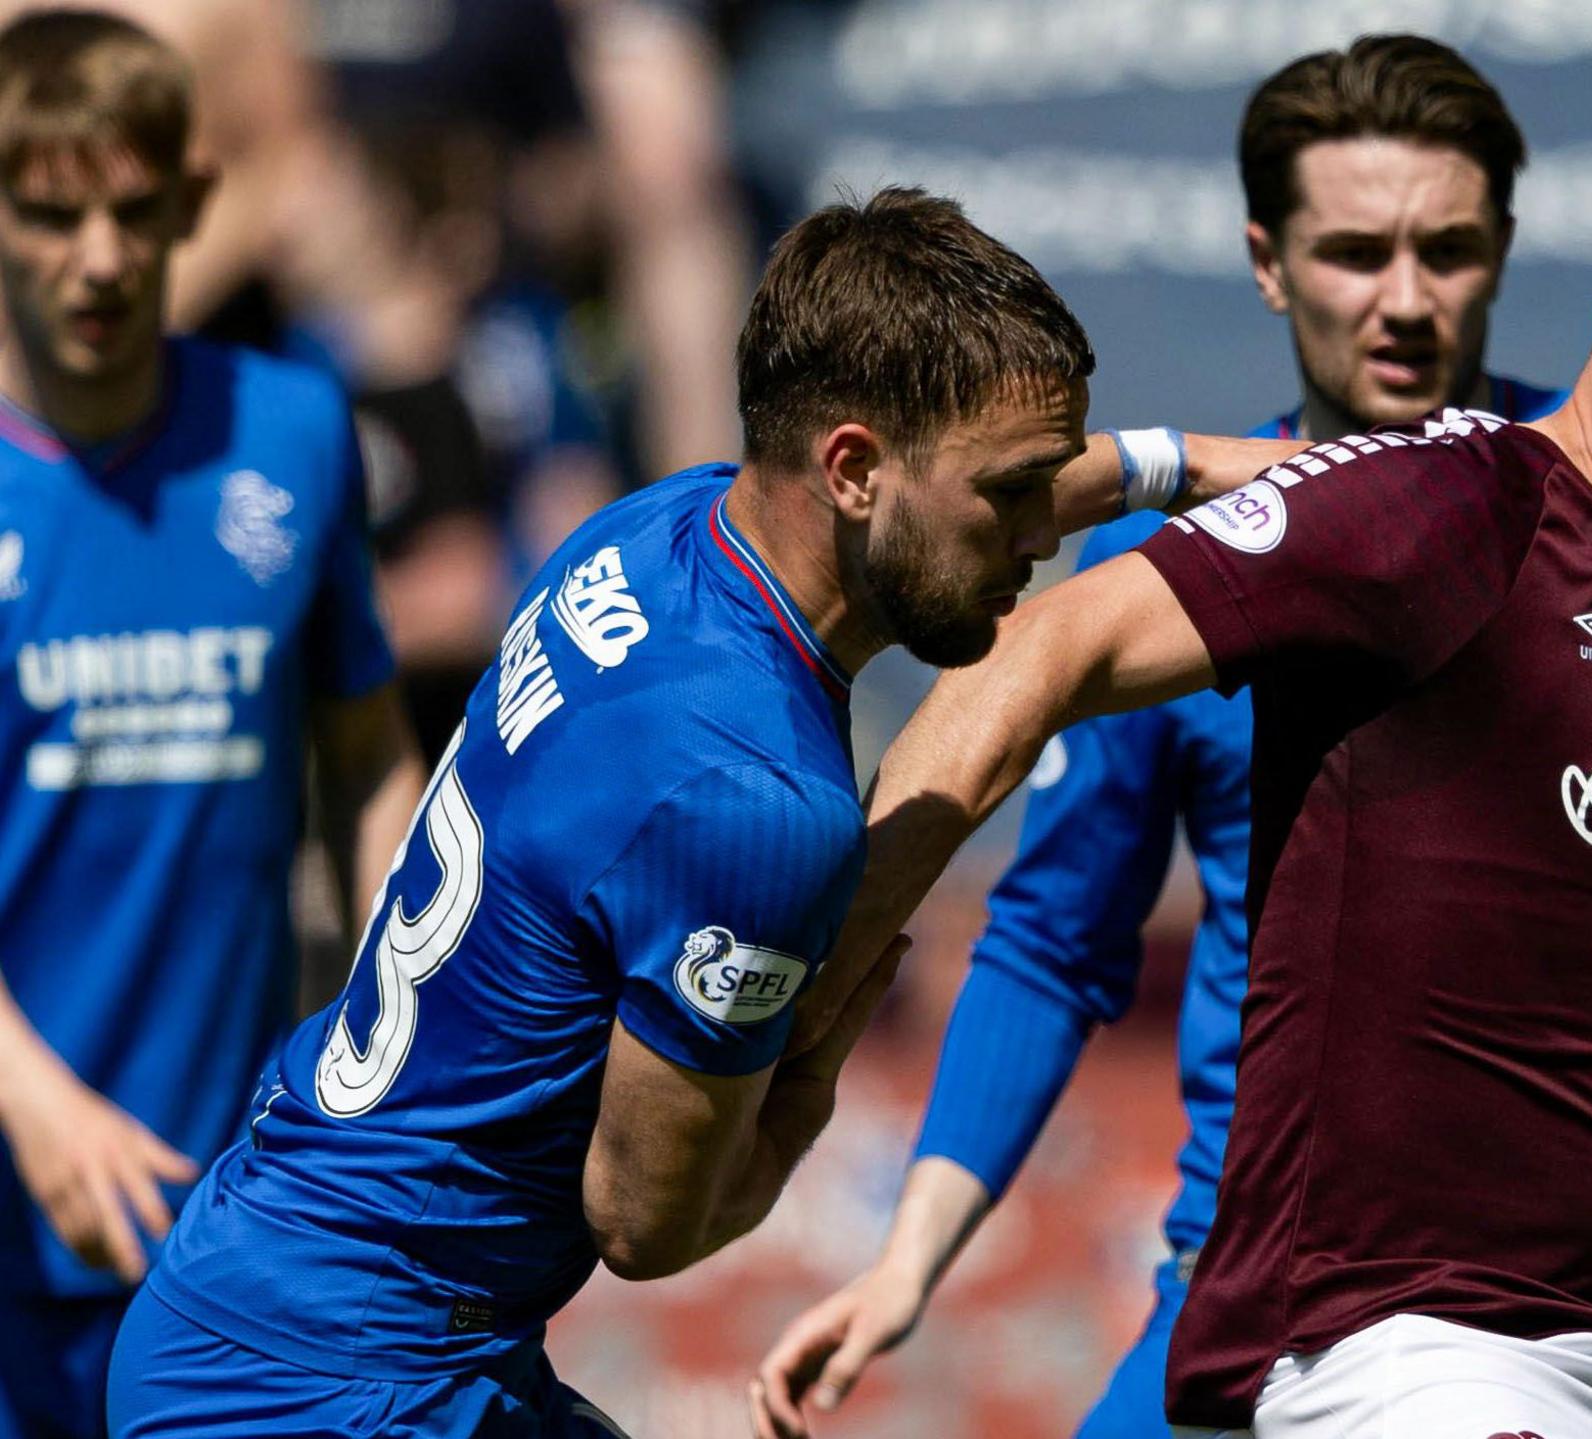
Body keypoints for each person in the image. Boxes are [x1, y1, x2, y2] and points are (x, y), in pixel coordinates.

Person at [752, 36, 1592, 1439]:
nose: (1404, 299)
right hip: (1343, 1304)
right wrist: (879, 1173)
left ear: (1509, 256)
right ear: (1271, 263)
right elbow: (1050, 901)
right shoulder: (1419, 510)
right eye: (1355, 251)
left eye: (1446, 249)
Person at [100, 187, 1135, 1436]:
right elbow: (648, 1222)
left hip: (267, 1294)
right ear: (853, 468)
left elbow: (958, 485)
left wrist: (1189, 465)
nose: (1040, 532)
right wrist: (813, 1058)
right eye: (1016, 492)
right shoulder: (757, 803)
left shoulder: (658, 528)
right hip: (334, 1389)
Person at [0, 12, 425, 1438]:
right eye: (51, 214)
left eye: (134, 209)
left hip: (232, 1209)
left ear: (196, 200)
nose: (102, 257)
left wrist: (408, 987)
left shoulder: (290, 432)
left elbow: (365, 751)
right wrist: (33, 1099)